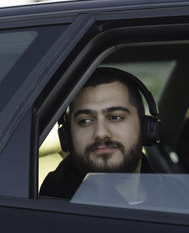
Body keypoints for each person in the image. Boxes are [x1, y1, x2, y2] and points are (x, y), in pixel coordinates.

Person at [40, 67, 159, 199]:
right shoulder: (52, 205)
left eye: (115, 118)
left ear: (145, 128)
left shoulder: (176, 192)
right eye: (85, 121)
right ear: (67, 135)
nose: (101, 133)